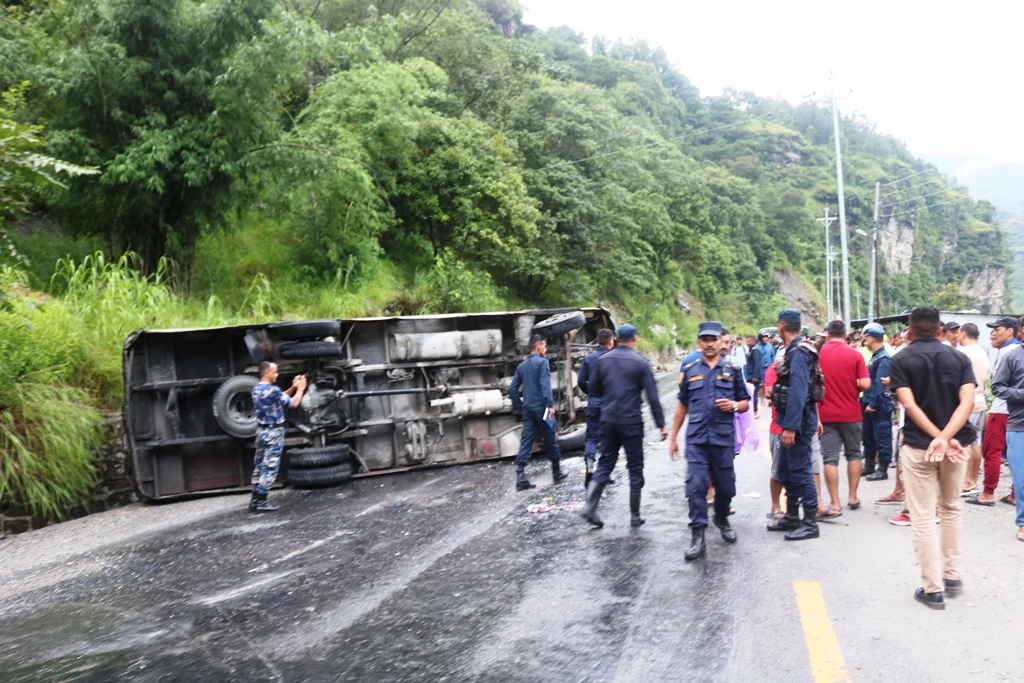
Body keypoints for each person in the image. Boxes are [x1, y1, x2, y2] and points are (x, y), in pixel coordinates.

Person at [889, 306, 976, 610]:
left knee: (923, 515)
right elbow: (967, 402)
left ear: (909, 331)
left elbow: (910, 406)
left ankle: (933, 589)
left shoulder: (900, 360)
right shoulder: (959, 358)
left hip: (918, 447)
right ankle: (952, 575)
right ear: (940, 330)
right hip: (956, 448)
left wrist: (937, 438)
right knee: (951, 507)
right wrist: (947, 437)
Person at [670, 321, 750, 560]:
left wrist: (734, 405)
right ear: (699, 343)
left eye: (713, 340)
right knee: (696, 486)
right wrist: (673, 437)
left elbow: (745, 402)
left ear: (720, 342)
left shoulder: (733, 369)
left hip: (722, 438)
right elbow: (682, 405)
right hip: (696, 439)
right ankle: (697, 536)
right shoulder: (692, 370)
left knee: (726, 487)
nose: (709, 344)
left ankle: (722, 517)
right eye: (704, 340)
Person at [580, 324, 667, 528]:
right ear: (635, 339)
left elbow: (593, 388)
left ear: (617, 339)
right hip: (631, 422)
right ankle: (635, 516)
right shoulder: (641, 362)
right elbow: (652, 397)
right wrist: (661, 425)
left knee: (606, 463)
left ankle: (590, 507)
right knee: (635, 467)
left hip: (608, 420)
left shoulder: (603, 361)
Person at [766, 308, 822, 540]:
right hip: (794, 420)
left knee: (800, 471)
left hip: (797, 423)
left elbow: (799, 391)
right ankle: (791, 516)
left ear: (781, 326)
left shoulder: (798, 352)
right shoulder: (796, 349)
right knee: (788, 470)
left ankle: (810, 522)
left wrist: (790, 427)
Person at [817, 320, 870, 514]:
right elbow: (865, 384)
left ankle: (835, 502)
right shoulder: (855, 354)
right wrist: (851, 385)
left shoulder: (819, 355)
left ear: (828, 335)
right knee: (854, 454)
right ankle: (852, 496)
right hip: (851, 413)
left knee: (829, 458)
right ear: (846, 336)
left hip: (825, 414)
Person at [969, 316, 1019, 506]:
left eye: (998, 329)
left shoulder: (1008, 352)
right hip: (1015, 409)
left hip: (1002, 408)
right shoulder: (1016, 350)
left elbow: (998, 382)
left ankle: (988, 493)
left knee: (992, 450)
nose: (993, 333)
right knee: (1016, 453)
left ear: (1010, 331)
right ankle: (1015, 494)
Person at [509, 334, 567, 491]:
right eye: (545, 346)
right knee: (551, 439)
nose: (546, 350)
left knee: (526, 441)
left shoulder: (522, 367)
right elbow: (545, 386)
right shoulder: (543, 363)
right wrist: (550, 406)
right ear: (538, 347)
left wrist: (520, 407)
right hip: (543, 409)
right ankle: (557, 473)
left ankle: (520, 478)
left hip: (528, 410)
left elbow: (512, 389)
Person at [250, 362, 306, 512]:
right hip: (273, 433)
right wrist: (300, 389)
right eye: (275, 372)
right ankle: (261, 501)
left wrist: (293, 388)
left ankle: (255, 500)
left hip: (262, 432)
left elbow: (279, 398)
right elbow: (293, 403)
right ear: (267, 373)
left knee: (260, 466)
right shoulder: (273, 390)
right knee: (270, 467)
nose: (277, 374)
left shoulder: (257, 389)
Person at [988, 314, 1024, 543]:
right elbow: (997, 387)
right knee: (1021, 479)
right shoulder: (1012, 356)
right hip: (1019, 426)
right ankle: (1022, 522)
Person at [578, 328, 614, 486]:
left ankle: (589, 467)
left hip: (594, 403)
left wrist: (591, 393)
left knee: (591, 437)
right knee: (609, 439)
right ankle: (605, 473)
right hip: (610, 404)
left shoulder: (589, 359)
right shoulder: (613, 358)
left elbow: (580, 382)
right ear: (611, 341)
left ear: (598, 341)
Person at [957, 323, 990, 496]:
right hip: (980, 399)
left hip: (967, 400)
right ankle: (973, 481)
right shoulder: (982, 351)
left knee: (965, 442)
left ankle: (966, 482)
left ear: (963, 334)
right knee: (975, 441)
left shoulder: (964, 353)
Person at [861, 323, 894, 481]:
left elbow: (880, 385)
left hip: (878, 405)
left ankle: (882, 468)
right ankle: (869, 465)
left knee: (882, 436)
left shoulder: (883, 358)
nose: (864, 339)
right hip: (869, 401)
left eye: (866, 337)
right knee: (868, 436)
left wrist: (872, 404)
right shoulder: (875, 356)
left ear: (872, 338)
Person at [744, 335, 763, 418]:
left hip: (753, 376)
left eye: (748, 341)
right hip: (749, 375)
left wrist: (756, 376)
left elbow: (757, 364)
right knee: (750, 394)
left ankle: (755, 411)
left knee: (754, 394)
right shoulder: (751, 350)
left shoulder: (755, 351)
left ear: (753, 341)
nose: (747, 343)